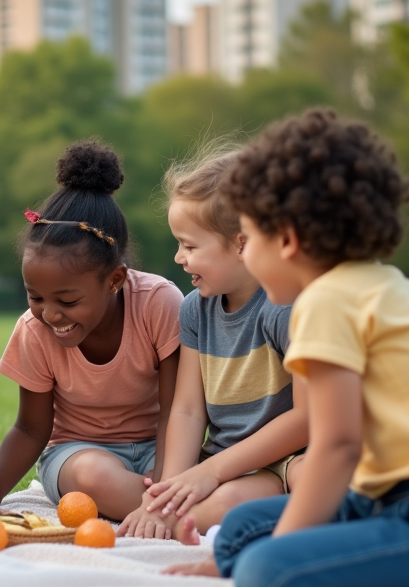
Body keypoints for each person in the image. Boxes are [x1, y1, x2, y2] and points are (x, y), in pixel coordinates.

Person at [168, 108, 409, 587]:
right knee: (239, 531)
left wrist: (282, 551)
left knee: (263, 570)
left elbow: (337, 447)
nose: (246, 254)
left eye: (249, 239)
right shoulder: (385, 286)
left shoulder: (325, 302)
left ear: (288, 240)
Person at [0, 140, 183, 519]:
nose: (50, 314)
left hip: (162, 445)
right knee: (96, 477)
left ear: (114, 280)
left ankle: (162, 507)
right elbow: (30, 429)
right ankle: (178, 513)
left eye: (67, 301)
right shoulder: (33, 330)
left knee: (203, 473)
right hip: (77, 453)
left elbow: (176, 411)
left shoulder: (159, 303)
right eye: (35, 297)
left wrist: (168, 474)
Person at [118, 145, 307, 540]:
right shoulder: (195, 311)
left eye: (189, 246)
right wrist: (165, 495)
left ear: (241, 244)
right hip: (220, 458)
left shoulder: (283, 309)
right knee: (168, 504)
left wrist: (210, 474)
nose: (178, 257)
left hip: (282, 460)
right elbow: (187, 411)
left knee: (224, 504)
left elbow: (307, 418)